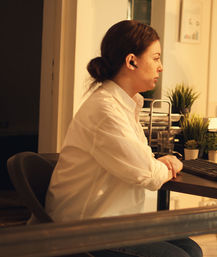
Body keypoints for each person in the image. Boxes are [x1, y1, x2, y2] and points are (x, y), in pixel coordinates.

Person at [45, 20, 202, 257]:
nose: (161, 67)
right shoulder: (106, 110)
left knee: (191, 248)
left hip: (116, 223)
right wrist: (170, 163)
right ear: (131, 61)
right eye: (156, 58)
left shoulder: (126, 104)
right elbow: (148, 174)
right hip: (84, 231)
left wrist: (157, 164)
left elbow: (144, 163)